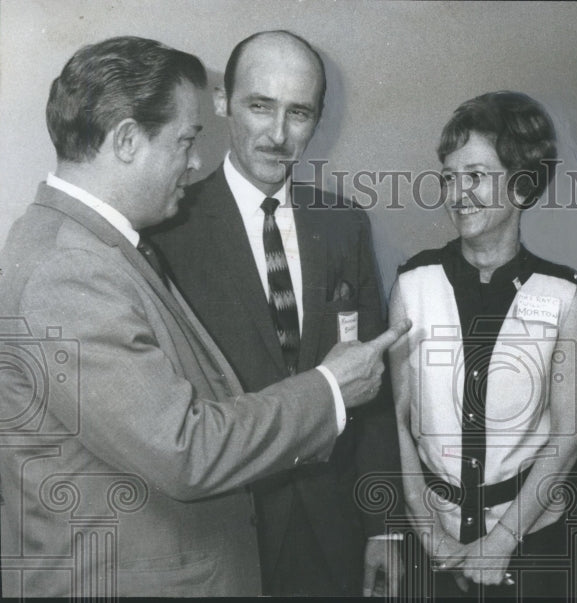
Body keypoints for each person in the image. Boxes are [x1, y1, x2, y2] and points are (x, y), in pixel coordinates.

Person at [0, 36, 408, 597]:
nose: (194, 161)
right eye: (186, 141)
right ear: (125, 140)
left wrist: (383, 526)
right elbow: (184, 449)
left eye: (300, 112)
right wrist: (331, 388)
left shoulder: (89, 246)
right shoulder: (74, 267)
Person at [147, 30, 400, 597]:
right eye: (260, 106)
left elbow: (374, 386)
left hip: (334, 531)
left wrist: (385, 529)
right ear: (222, 101)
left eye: (299, 113)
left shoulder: (344, 225)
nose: (279, 135)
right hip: (226, 534)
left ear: (318, 118)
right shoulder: (167, 229)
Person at [387, 91, 577, 598]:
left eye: (475, 175)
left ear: (522, 187)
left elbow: (570, 433)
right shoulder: (413, 285)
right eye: (449, 177)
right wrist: (430, 535)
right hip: (434, 538)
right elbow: (395, 420)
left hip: (531, 541)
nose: (458, 193)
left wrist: (502, 540)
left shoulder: (563, 296)